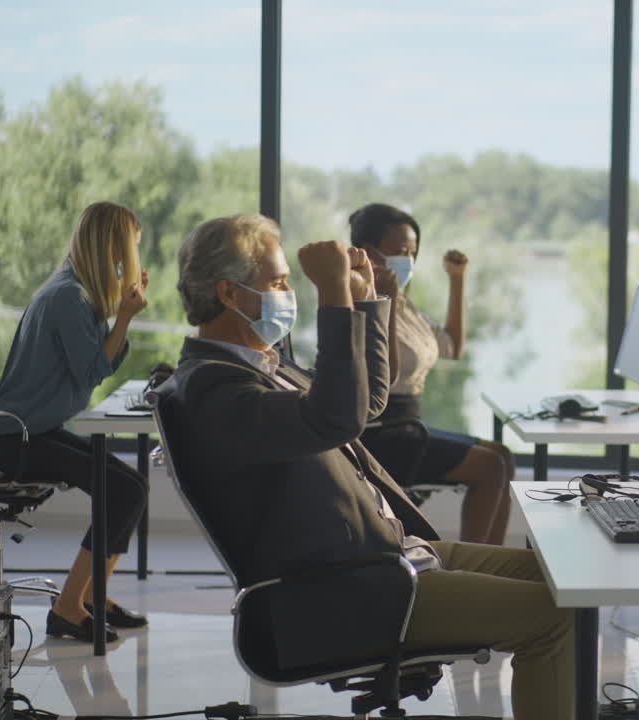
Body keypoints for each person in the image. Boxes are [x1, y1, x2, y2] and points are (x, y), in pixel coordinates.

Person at [170, 214, 573, 720]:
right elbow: (335, 417)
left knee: (566, 579)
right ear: (230, 294)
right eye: (277, 282)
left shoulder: (257, 366)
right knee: (556, 616)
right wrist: (334, 293)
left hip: (387, 558)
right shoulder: (215, 389)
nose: (287, 293)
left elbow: (366, 403)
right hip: (351, 589)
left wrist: (364, 299)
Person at [0, 201, 150, 643]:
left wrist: (119, 316)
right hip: (14, 438)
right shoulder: (67, 298)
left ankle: (92, 597)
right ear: (110, 245)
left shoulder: (78, 293)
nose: (130, 256)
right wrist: (126, 316)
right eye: (129, 246)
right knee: (123, 489)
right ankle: (68, 607)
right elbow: (94, 370)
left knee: (131, 486)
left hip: (36, 429)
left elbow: (100, 363)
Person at [347, 203, 513, 545]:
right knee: (490, 467)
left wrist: (458, 279)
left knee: (503, 456)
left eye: (412, 252)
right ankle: (471, 571)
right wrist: (386, 299)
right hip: (381, 432)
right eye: (397, 251)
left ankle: (491, 566)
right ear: (367, 253)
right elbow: (386, 375)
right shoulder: (360, 302)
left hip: (408, 425)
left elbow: (452, 346)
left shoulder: (404, 304)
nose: (406, 259)